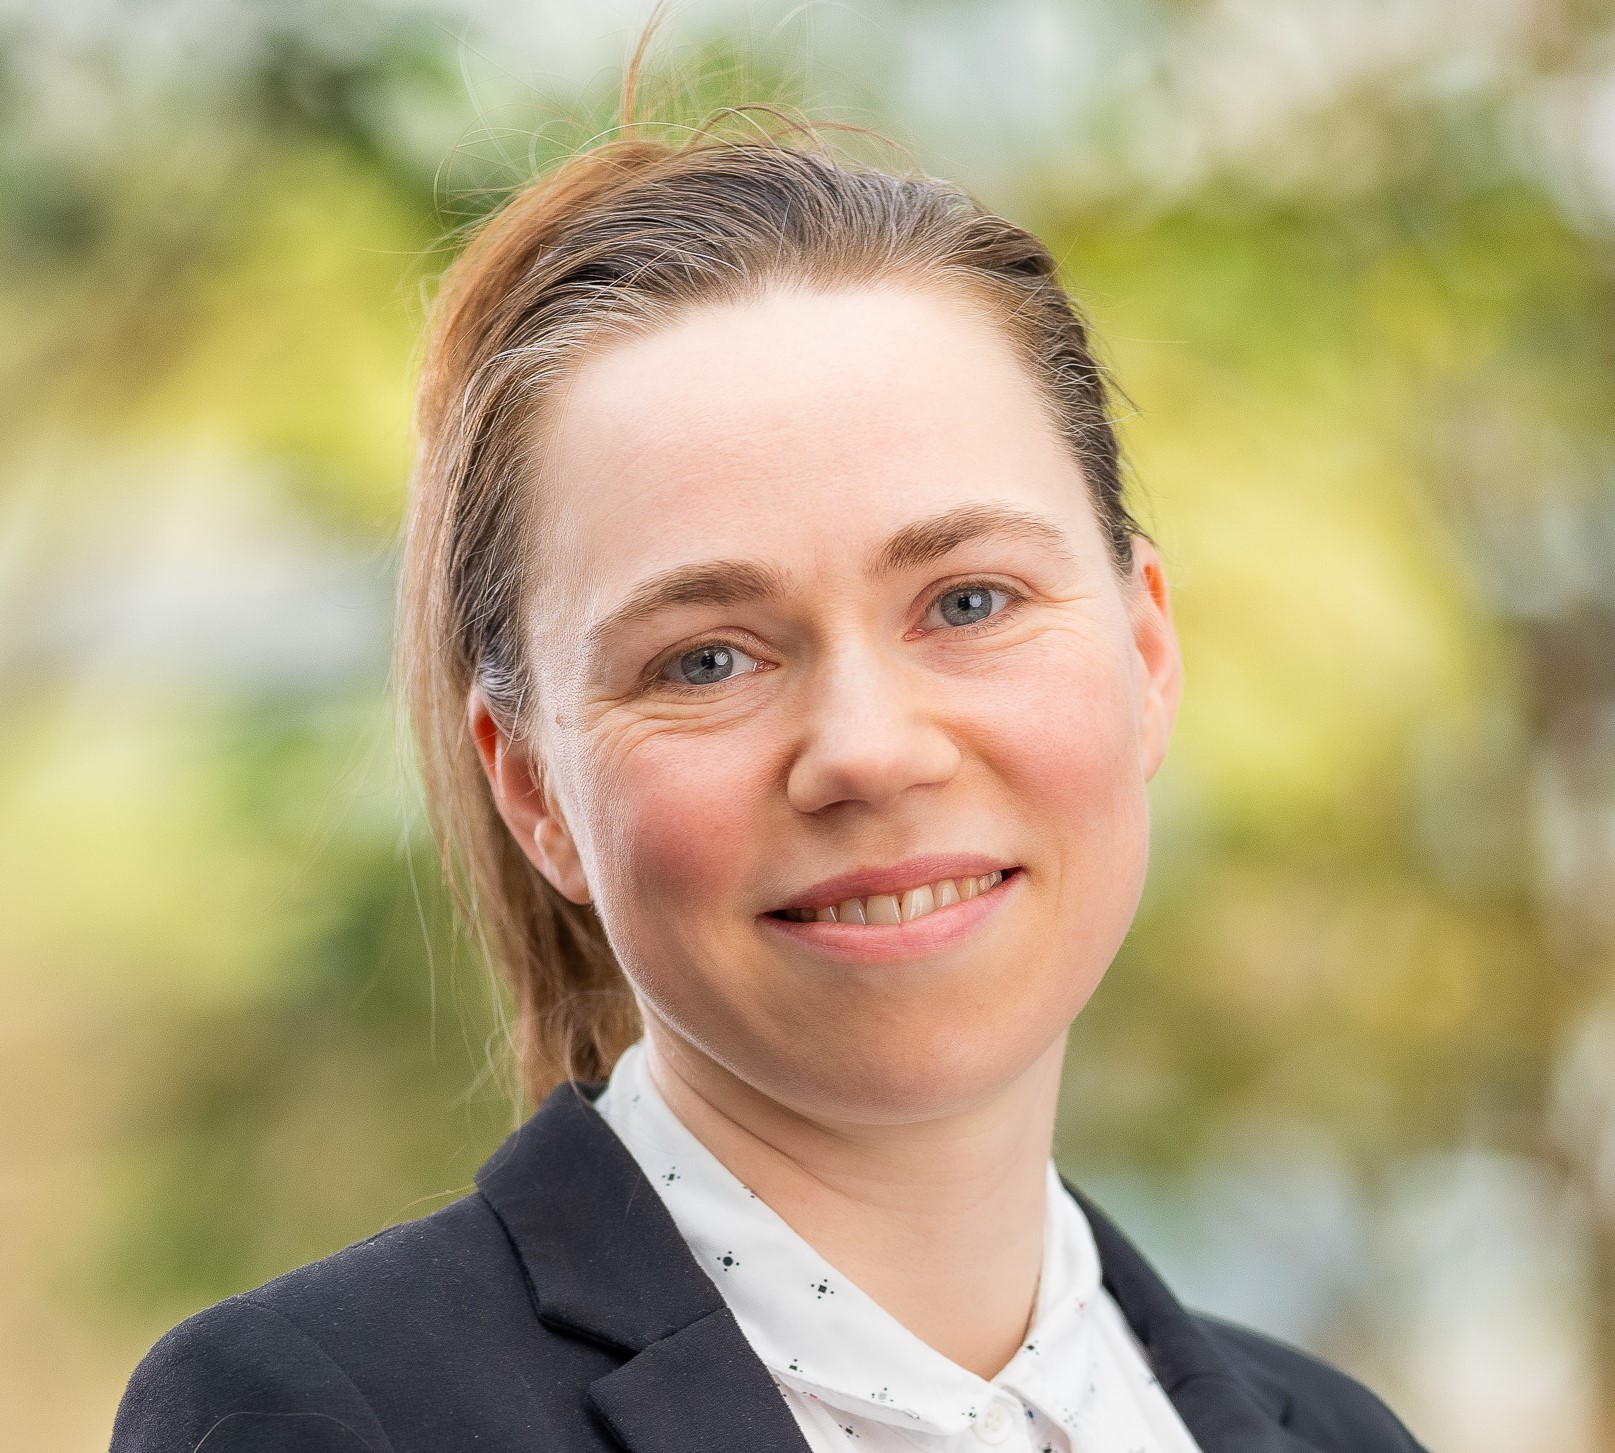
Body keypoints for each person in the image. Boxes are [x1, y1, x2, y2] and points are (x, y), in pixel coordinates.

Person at [110, 99, 1430, 1453]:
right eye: (704, 662)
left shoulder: (1338, 1434)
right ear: (535, 790)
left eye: (969, 601)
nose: (868, 747)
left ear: (1147, 649)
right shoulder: (324, 1415)